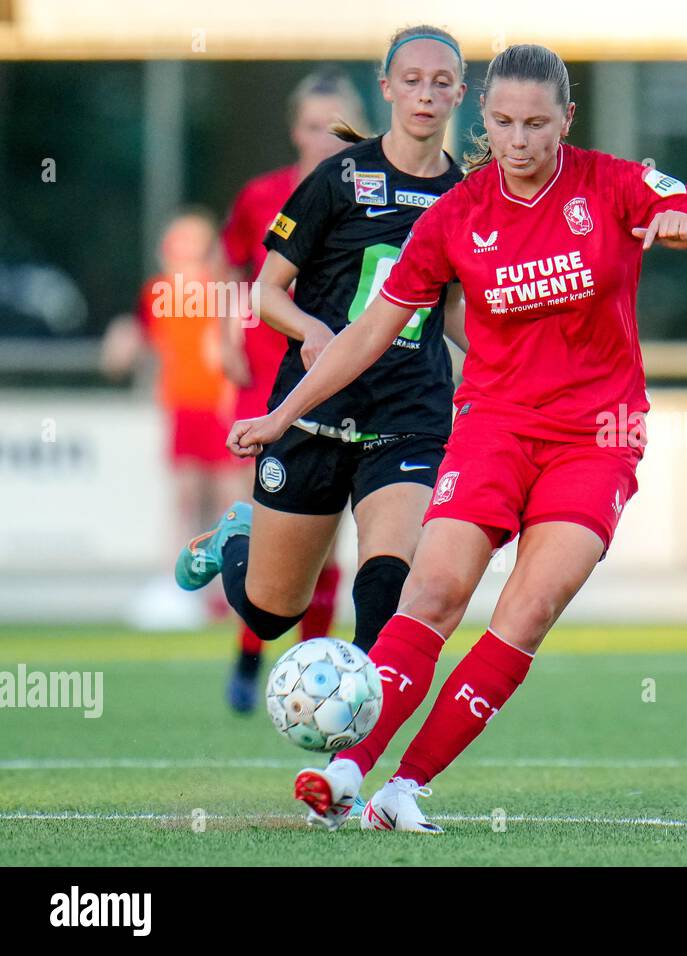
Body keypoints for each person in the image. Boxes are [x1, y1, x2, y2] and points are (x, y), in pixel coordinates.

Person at [227, 43, 687, 832]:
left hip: (596, 438)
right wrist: (280, 415)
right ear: (484, 118)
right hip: (492, 427)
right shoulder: (456, 216)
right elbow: (367, 332)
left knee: (528, 609)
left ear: (565, 121)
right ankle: (346, 769)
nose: (518, 141)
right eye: (504, 122)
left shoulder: (613, 183)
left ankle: (405, 788)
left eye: (536, 124)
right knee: (434, 592)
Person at [175, 26, 471, 793]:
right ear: (388, 86)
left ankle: (348, 767)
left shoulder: (467, 194)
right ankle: (238, 538)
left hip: (410, 414)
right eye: (413, 80)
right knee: (274, 613)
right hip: (310, 414)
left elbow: (462, 317)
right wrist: (311, 329)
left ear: (459, 95)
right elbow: (268, 290)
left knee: (389, 585)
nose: (427, 95)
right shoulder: (340, 178)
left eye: (443, 83)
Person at [217, 71, 367, 713]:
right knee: (276, 534)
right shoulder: (265, 196)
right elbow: (236, 270)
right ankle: (250, 654)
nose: (325, 140)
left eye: (338, 128)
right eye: (313, 126)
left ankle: (312, 668)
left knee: (326, 539)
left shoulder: (378, 193)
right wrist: (223, 337)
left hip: (346, 382)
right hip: (270, 377)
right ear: (293, 129)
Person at [103, 209, 245, 617]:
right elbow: (139, 335)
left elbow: (237, 338)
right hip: (183, 406)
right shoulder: (157, 294)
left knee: (229, 498)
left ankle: (232, 589)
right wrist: (123, 342)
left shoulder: (223, 292)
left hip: (222, 409)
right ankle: (181, 585)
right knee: (185, 498)